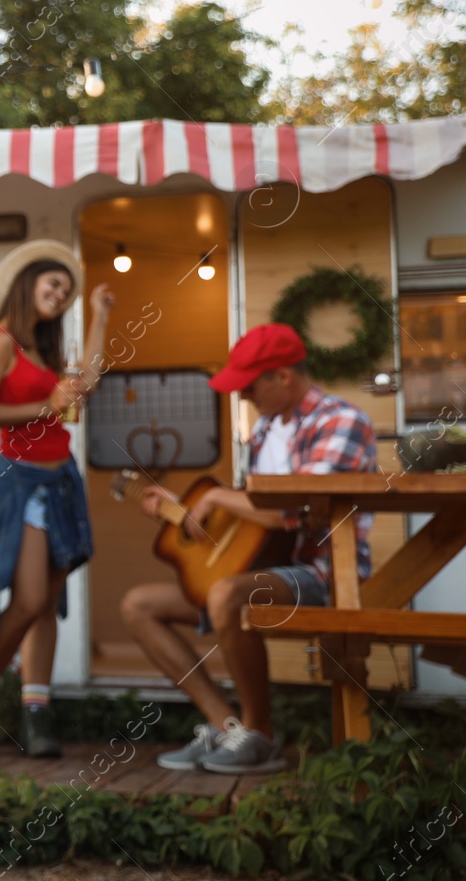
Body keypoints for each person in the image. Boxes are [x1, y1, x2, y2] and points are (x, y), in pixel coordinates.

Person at [122, 323, 377, 773]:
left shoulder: (342, 422)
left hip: (322, 575)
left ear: (283, 376)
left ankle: (262, 735)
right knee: (138, 605)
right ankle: (231, 729)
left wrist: (215, 497)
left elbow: (299, 513)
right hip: (266, 570)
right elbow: (252, 524)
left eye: (249, 385)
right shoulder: (263, 431)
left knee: (225, 594)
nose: (242, 397)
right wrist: (183, 512)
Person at [0, 240, 113, 758]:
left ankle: (36, 711)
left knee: (46, 603)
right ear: (28, 286)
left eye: (66, 290)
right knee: (27, 599)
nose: (60, 293)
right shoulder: (0, 342)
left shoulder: (48, 349)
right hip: (18, 479)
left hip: (61, 478)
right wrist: (42, 406)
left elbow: (83, 383)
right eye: (53, 285)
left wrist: (100, 316)